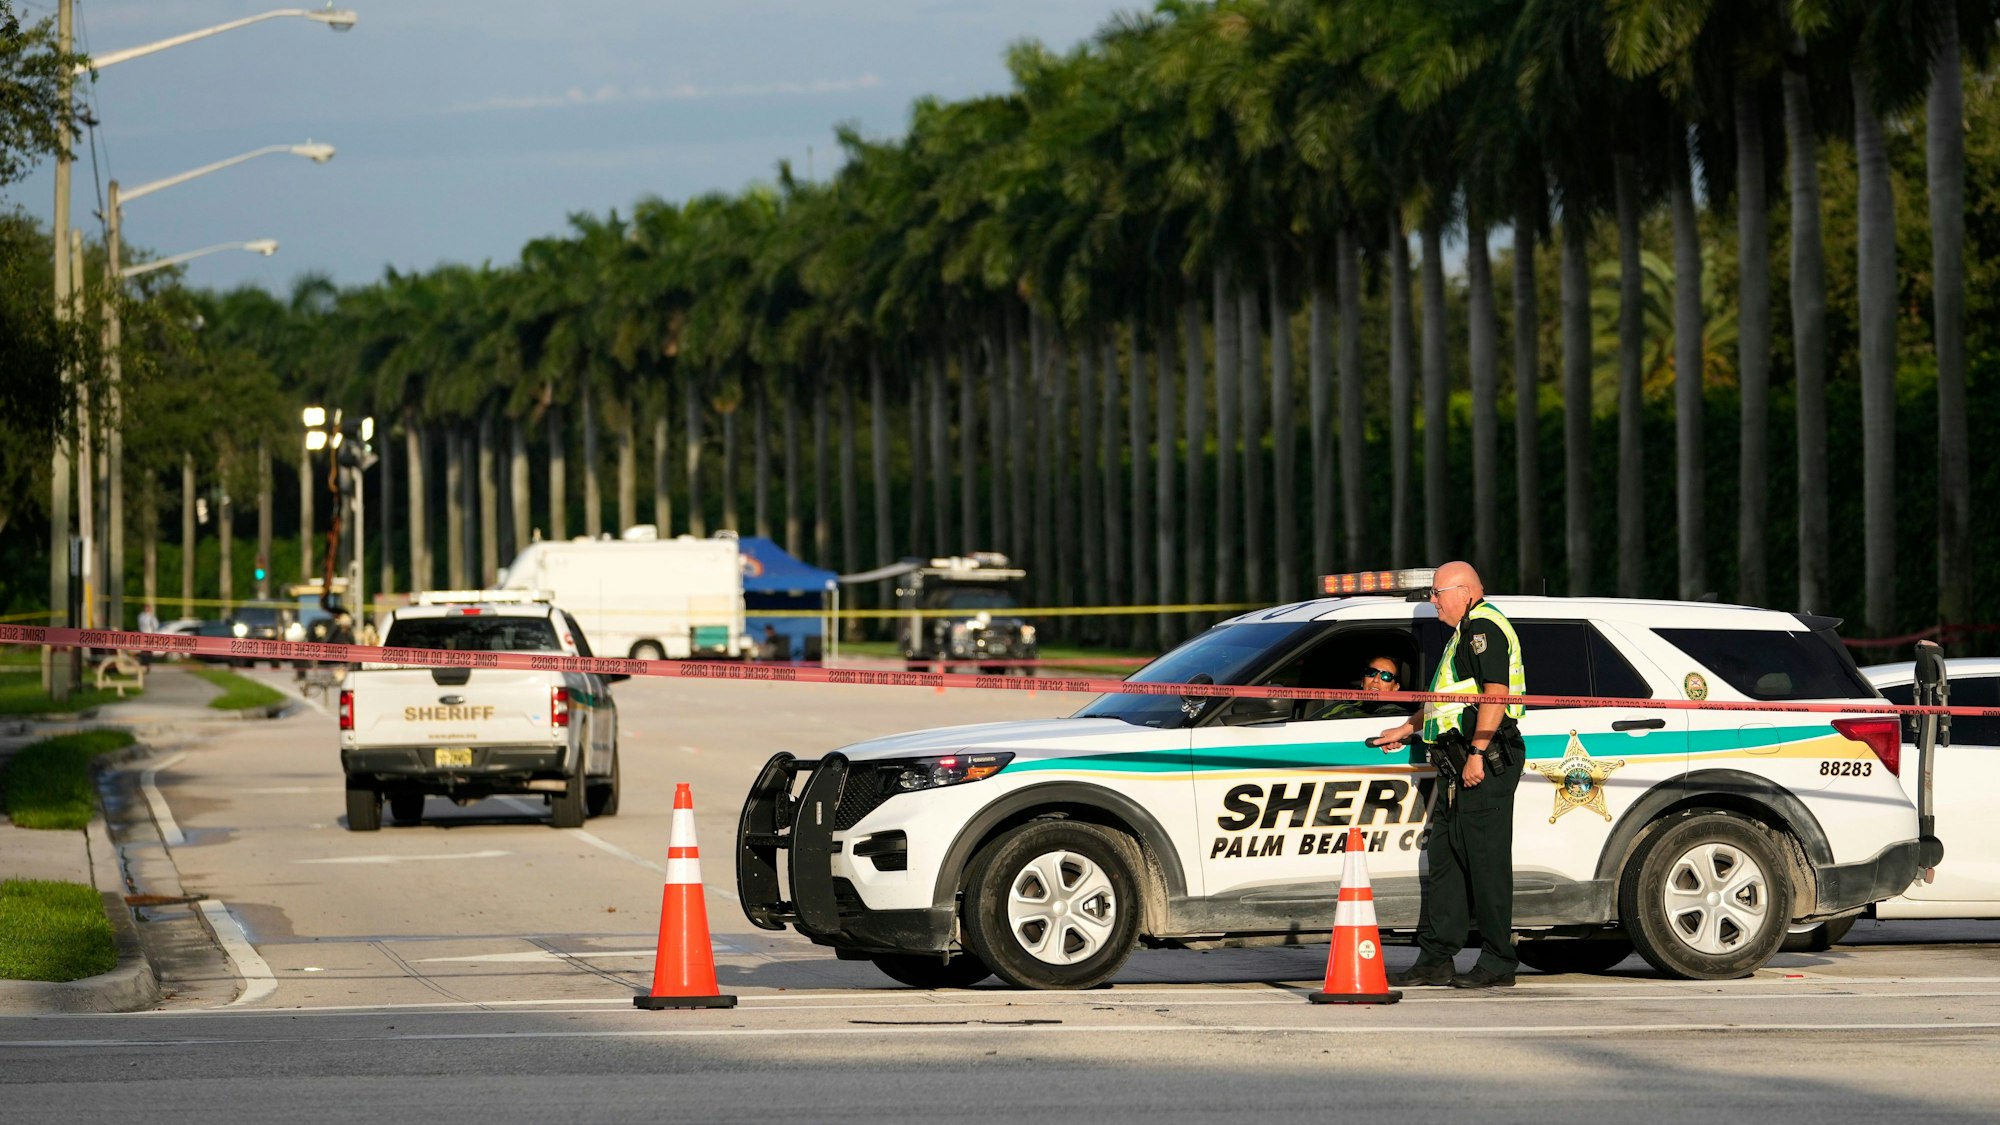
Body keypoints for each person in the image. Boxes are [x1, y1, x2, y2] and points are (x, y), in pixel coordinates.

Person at [1374, 560, 1527, 990]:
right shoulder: (1462, 634)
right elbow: (1448, 699)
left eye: (1437, 593)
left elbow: (1496, 695)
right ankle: (1436, 959)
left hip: (1484, 761)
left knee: (1486, 864)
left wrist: (1477, 752)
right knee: (1447, 862)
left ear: (1465, 592)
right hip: (1456, 766)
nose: (1433, 601)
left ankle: (1498, 961)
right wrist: (1405, 729)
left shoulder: (1484, 629)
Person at [1311, 655, 1412, 720]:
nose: (1376, 679)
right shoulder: (1342, 706)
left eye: (1386, 676)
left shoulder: (1400, 717)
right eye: (1371, 672)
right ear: (1363, 681)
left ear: (1395, 688)